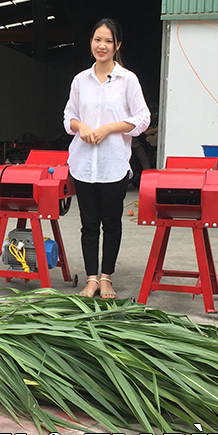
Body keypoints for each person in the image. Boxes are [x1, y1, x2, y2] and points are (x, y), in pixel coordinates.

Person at [63, 18, 150, 298]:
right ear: (91, 43)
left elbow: (143, 118)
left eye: (108, 41)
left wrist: (110, 128)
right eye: (97, 40)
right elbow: (68, 116)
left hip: (113, 164)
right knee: (88, 225)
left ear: (117, 45)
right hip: (83, 165)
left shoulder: (128, 80)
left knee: (111, 224)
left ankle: (106, 278)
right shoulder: (80, 80)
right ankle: (91, 279)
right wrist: (80, 126)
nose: (102, 46)